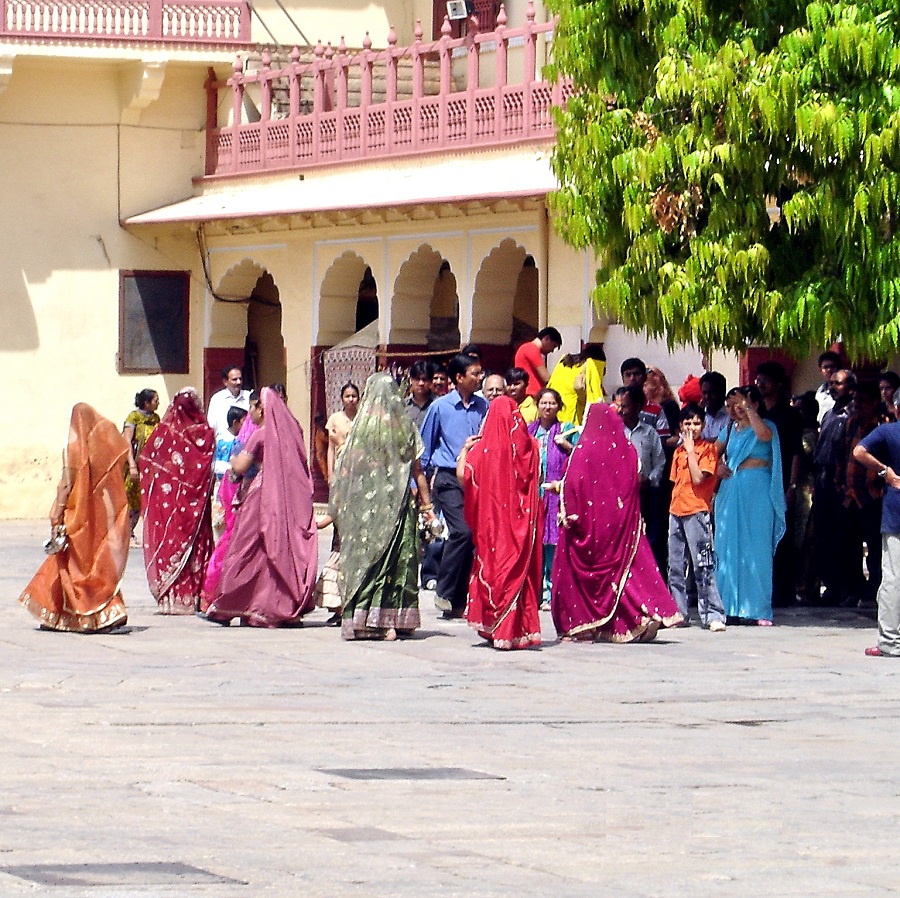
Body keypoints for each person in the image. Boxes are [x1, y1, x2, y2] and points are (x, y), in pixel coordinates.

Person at [551, 402, 682, 642]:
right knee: (625, 575)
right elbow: (634, 482)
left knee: (579, 574)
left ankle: (585, 624)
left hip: (590, 528)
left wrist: (558, 492)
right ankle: (638, 617)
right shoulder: (629, 451)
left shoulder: (583, 452)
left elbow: (574, 486)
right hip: (622, 526)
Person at [330, 373, 435, 640]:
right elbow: (417, 469)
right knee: (400, 560)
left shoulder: (360, 429)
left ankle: (365, 618)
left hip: (366, 509)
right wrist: (427, 506)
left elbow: (347, 470)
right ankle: (396, 618)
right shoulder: (404, 426)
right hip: (399, 506)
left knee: (369, 561)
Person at [206, 388, 318, 627]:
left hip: (261, 497)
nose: (250, 414)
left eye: (253, 408)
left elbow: (240, 467)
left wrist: (234, 461)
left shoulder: (260, 435)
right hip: (286, 500)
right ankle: (275, 607)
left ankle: (231, 605)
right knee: (277, 551)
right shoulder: (292, 433)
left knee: (244, 550)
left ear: (260, 407)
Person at [20, 403, 130, 633]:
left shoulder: (73, 451)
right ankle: (107, 612)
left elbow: (66, 485)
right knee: (97, 567)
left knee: (70, 567)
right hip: (98, 521)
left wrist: (56, 513)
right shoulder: (102, 453)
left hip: (75, 518)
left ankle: (72, 616)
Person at [456, 395, 542, 649]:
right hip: (519, 526)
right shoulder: (530, 449)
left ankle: (496, 628)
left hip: (491, 527)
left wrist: (464, 451)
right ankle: (517, 630)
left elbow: (463, 477)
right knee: (518, 574)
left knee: (493, 570)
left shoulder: (480, 452)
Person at [420, 353, 488, 617]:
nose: (479, 378)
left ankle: (458, 601)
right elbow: (425, 449)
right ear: (459, 378)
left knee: (474, 537)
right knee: (461, 531)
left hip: (475, 478)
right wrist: (420, 488)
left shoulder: (484, 406)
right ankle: (444, 589)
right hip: (447, 477)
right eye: (475, 373)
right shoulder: (440, 407)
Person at [140, 388, 215, 615]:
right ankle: (194, 597)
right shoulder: (205, 434)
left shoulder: (164, 433)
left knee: (172, 543)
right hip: (195, 507)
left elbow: (147, 461)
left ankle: (173, 600)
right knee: (193, 548)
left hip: (170, 507)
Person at [714, 386, 785, 625]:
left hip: (757, 488)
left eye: (740, 403)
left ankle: (757, 609)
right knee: (728, 549)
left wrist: (748, 408)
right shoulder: (729, 430)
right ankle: (729, 607)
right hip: (732, 489)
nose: (736, 409)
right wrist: (716, 466)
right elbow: (711, 453)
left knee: (757, 548)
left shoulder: (768, 425)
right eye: (732, 405)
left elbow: (764, 436)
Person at [667, 404, 726, 630]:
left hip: (697, 511)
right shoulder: (678, 452)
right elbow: (676, 481)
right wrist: (686, 449)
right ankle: (679, 612)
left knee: (703, 563)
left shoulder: (708, 449)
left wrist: (692, 450)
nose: (692, 427)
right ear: (680, 426)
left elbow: (700, 478)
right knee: (675, 565)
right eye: (687, 423)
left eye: (696, 422)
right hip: (676, 510)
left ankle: (712, 613)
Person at [852, 388, 900, 657]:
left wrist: (884, 471)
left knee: (893, 576)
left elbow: (859, 451)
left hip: (896, 506)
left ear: (895, 408)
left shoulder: (889, 431)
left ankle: (891, 640)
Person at [200, 406, 260, 612]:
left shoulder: (251, 439)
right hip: (237, 493)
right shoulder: (249, 440)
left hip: (241, 494)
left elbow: (239, 468)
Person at [755, 361, 803, 607]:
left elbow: (796, 453)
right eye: (758, 380)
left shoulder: (791, 415)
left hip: (782, 481)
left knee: (783, 538)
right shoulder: (758, 414)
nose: (760, 385)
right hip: (759, 481)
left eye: (765, 381)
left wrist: (792, 486)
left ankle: (783, 591)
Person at [527, 388, 576, 609]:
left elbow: (580, 456)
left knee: (554, 544)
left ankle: (552, 591)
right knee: (536, 542)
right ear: (537, 405)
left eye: (552, 403)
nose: (547, 407)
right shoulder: (530, 431)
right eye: (543, 403)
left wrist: (565, 445)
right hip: (535, 494)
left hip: (558, 493)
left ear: (559, 406)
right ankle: (536, 592)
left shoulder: (567, 430)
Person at [837, 380, 884, 607]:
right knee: (848, 547)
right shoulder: (851, 424)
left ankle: (873, 592)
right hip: (851, 495)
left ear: (875, 403)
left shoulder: (882, 426)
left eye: (863, 402)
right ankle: (853, 590)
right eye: (855, 401)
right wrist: (840, 482)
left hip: (873, 496)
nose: (857, 406)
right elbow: (844, 453)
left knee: (875, 548)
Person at [812, 368, 855, 604]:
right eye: (832, 384)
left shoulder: (853, 414)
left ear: (850, 387)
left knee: (844, 536)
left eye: (838, 384)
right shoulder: (829, 414)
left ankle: (848, 588)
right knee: (824, 534)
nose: (833, 388)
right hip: (822, 476)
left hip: (842, 480)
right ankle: (831, 586)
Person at [614, 385, 666, 570]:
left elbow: (660, 461)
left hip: (645, 495)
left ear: (638, 406)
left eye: (625, 406)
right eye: (618, 406)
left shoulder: (649, 432)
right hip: (618, 497)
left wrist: (650, 479)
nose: (620, 411)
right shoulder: (614, 433)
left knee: (647, 538)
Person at [122, 388, 160, 546]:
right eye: (155, 400)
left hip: (150, 468)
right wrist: (132, 465)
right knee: (130, 499)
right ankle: (126, 533)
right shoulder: (134, 417)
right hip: (134, 465)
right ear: (147, 402)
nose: (158, 403)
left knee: (145, 499)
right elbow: (126, 442)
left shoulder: (156, 418)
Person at [211, 406, 247, 537]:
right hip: (222, 484)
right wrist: (231, 467)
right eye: (244, 421)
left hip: (237, 486)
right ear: (235, 422)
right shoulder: (221, 439)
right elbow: (213, 464)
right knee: (220, 520)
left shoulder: (243, 438)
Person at [513, 326, 562, 398]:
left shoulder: (526, 348)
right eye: (553, 346)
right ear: (547, 338)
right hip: (531, 395)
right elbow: (546, 378)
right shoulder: (531, 348)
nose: (551, 351)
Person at [326, 382, 360, 483]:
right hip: (340, 468)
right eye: (347, 396)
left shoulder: (362, 419)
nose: (350, 399)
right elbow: (331, 449)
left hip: (359, 469)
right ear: (342, 399)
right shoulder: (334, 419)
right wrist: (330, 474)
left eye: (353, 396)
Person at [207, 365, 251, 440]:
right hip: (224, 446)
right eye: (234, 379)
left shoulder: (249, 397)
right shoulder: (217, 399)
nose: (238, 382)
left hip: (245, 446)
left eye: (240, 379)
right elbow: (211, 425)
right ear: (225, 382)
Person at [404, 360, 434, 429]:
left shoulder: (438, 405)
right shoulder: (403, 406)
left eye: (425, 379)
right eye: (417, 379)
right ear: (411, 380)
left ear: (431, 381)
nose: (421, 383)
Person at [700, 371, 729, 440]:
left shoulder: (731, 418)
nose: (707, 397)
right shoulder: (699, 418)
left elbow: (727, 441)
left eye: (711, 392)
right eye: (704, 393)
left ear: (722, 392)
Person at [815, 351, 842, 423]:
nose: (829, 370)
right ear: (820, 370)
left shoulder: (842, 392)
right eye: (826, 367)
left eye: (832, 366)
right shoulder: (819, 392)